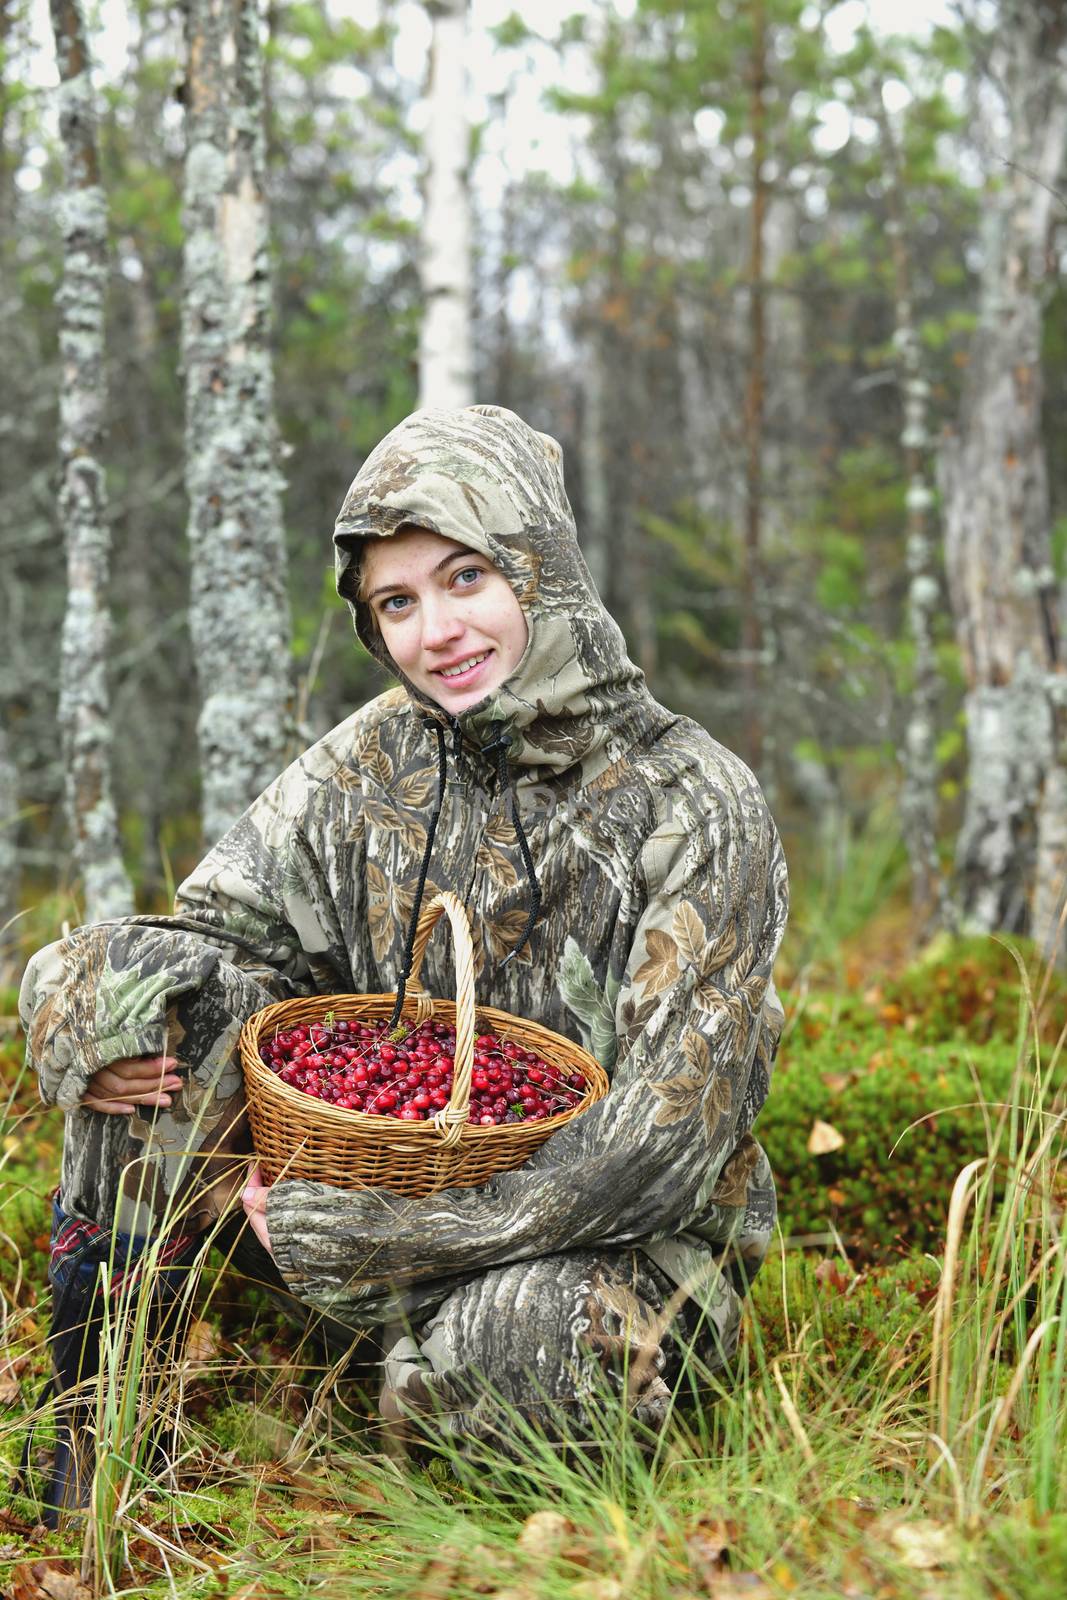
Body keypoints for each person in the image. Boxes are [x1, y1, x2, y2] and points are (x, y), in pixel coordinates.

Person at [18, 404, 787, 1519]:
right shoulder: (378, 755)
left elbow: (663, 1144)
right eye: (397, 602)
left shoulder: (693, 800)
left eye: (465, 576)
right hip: (359, 1218)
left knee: (518, 1349)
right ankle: (87, 1467)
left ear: (540, 562)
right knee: (159, 1027)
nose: (437, 630)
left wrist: (403, 1237)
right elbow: (214, 942)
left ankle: (441, 1432)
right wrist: (81, 1006)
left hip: (602, 1251)